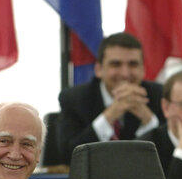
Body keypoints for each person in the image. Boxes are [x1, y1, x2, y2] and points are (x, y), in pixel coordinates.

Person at [57, 32, 165, 164]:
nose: (125, 74)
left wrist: (149, 120)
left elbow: (168, 156)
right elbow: (68, 155)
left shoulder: (159, 95)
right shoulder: (74, 98)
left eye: (133, 64)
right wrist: (111, 114)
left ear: (143, 69)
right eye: (116, 64)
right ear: (99, 69)